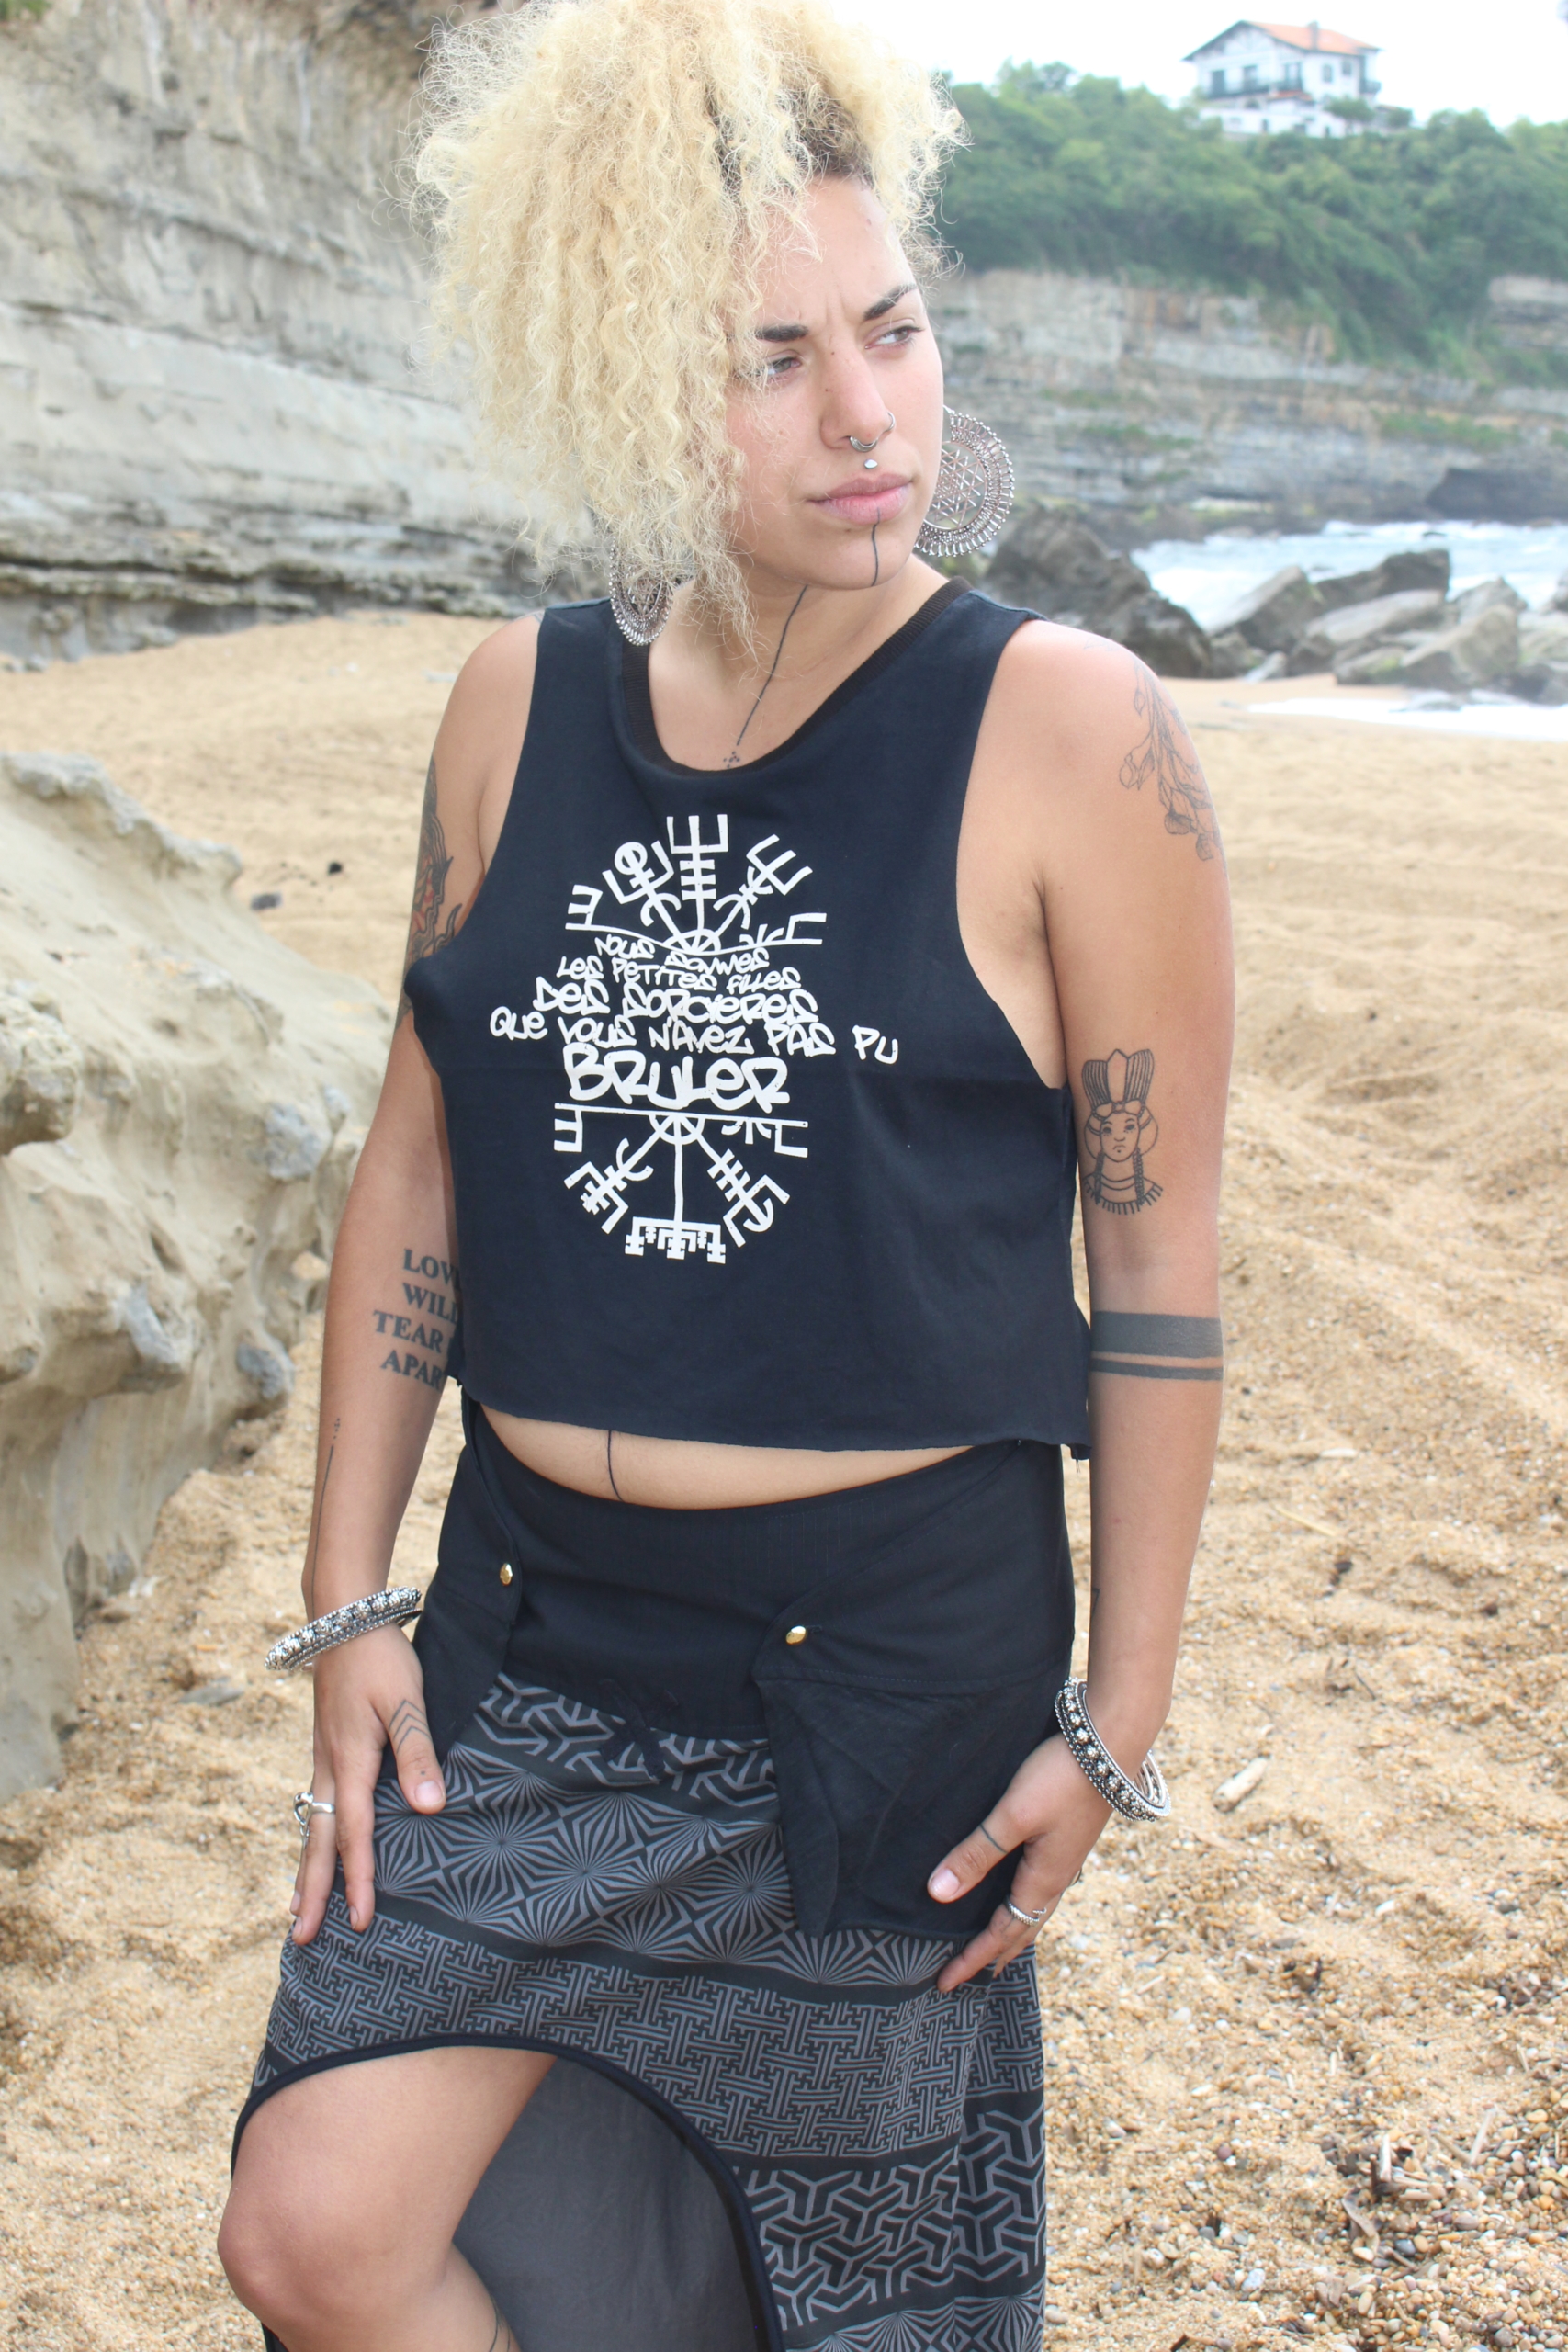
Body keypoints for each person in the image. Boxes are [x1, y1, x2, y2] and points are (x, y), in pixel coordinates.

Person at [218, 1, 1233, 2346]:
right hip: (527, 1635)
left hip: (872, 1677)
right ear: (621, 385)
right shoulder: (510, 703)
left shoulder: (1071, 731)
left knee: (814, 2297)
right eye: (769, 360)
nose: (862, 413)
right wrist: (346, 1598)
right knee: (314, 2224)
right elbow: (415, 1169)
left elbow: (1156, 1243)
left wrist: (1118, 1711)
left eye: (889, 330)